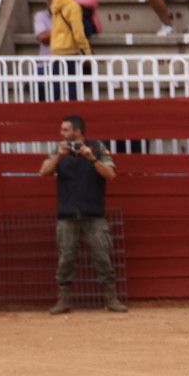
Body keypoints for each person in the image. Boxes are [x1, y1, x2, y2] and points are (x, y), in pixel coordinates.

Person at [39, 114, 125, 315]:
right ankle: (63, 301)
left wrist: (92, 158)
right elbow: (43, 172)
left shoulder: (97, 148)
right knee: (66, 258)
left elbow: (111, 174)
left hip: (93, 214)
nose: (62, 133)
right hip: (68, 214)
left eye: (66, 130)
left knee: (103, 257)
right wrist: (59, 156)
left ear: (78, 131)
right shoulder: (59, 150)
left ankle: (111, 299)